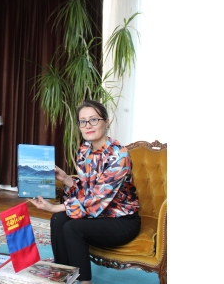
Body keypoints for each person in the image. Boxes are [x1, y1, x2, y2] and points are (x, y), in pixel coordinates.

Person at [28, 100, 140, 284]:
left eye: (94, 120)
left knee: (72, 228)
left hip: (122, 220)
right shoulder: (85, 150)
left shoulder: (119, 156)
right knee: (58, 221)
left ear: (106, 121)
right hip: (96, 214)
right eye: (83, 121)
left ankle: (85, 282)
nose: (88, 125)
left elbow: (96, 198)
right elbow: (85, 191)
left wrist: (55, 207)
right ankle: (62, 275)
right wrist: (66, 179)